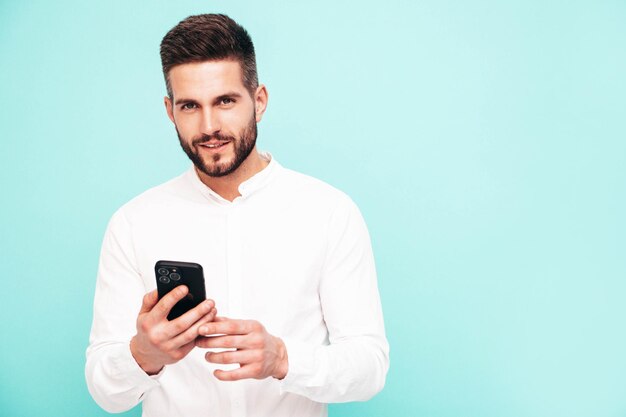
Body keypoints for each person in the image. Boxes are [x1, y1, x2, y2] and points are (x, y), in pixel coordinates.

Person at [85, 13, 389, 417]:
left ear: (258, 101)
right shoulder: (133, 223)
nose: (209, 126)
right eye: (190, 105)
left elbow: (370, 367)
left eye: (225, 101)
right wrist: (144, 354)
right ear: (170, 111)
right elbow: (106, 393)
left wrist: (283, 359)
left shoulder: (329, 213)